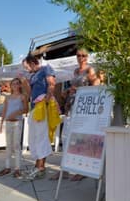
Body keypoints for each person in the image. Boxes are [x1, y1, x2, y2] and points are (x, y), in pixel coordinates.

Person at [50, 48, 99, 181]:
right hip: (71, 106)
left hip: (83, 109)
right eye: (78, 55)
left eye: (84, 55)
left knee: (81, 139)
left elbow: (96, 88)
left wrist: (78, 89)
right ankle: (65, 169)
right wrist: (66, 91)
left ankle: (82, 170)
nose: (81, 57)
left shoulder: (90, 70)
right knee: (66, 138)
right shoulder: (75, 71)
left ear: (87, 57)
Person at [22, 54, 56, 180]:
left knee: (41, 136)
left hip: (42, 106)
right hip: (34, 107)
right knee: (33, 137)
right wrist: (25, 83)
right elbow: (30, 93)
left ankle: (41, 167)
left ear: (32, 62)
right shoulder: (32, 76)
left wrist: (46, 101)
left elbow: (52, 84)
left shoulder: (46, 68)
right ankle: (37, 165)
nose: (26, 69)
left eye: (26, 66)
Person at [0, 78, 29, 178]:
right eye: (13, 84)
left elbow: (26, 109)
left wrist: (16, 113)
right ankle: (7, 167)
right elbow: (4, 111)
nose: (15, 85)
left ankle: (17, 169)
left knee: (16, 146)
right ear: (11, 86)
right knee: (8, 146)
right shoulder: (8, 97)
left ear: (20, 85)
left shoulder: (22, 97)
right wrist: (1, 124)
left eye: (17, 84)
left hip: (17, 123)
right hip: (8, 123)